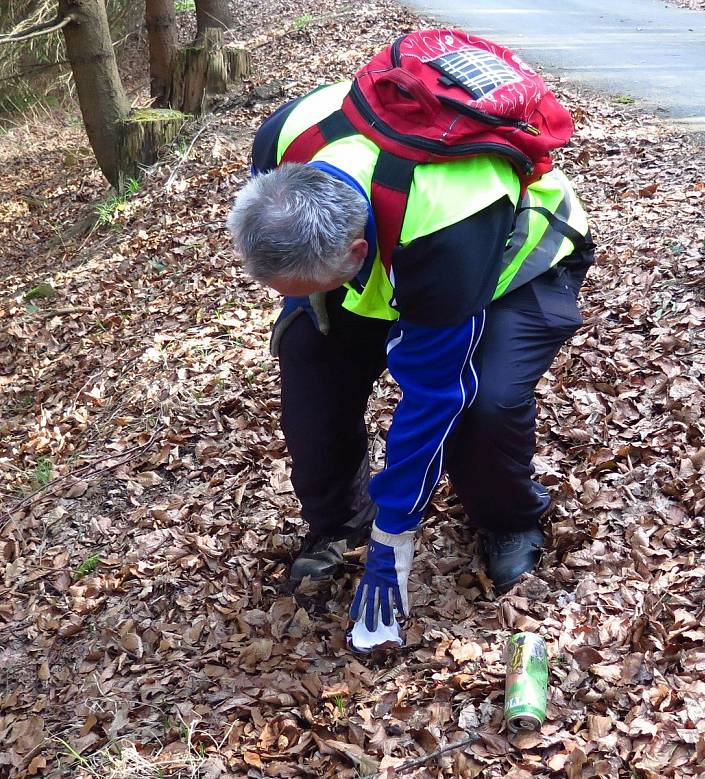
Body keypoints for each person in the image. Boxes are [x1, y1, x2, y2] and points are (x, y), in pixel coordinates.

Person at [227, 44, 594, 651]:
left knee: (486, 400)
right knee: (309, 364)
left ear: (353, 254)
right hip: (383, 255)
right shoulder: (285, 138)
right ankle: (339, 526)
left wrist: (395, 536)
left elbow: (431, 393)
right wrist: (311, 299)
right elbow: (304, 273)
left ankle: (508, 520)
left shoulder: (444, 224)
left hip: (510, 265)